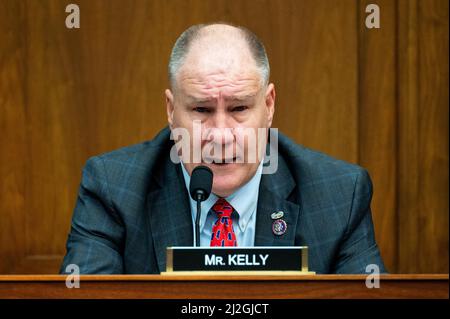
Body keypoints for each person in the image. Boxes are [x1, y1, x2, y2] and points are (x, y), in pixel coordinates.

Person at [60, 23, 386, 274]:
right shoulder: (114, 189)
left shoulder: (340, 195)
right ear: (172, 111)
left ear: (269, 105)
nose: (220, 135)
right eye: (201, 110)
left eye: (239, 108)